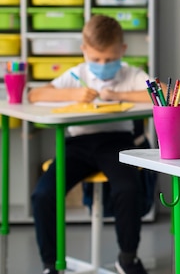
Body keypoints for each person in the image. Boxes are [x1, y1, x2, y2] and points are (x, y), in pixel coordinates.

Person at [29, 15, 152, 274]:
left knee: (128, 189)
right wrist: (72, 93)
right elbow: (35, 95)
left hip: (117, 143)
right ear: (84, 51)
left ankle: (127, 258)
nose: (102, 65)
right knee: (43, 195)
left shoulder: (131, 74)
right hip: (78, 145)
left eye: (109, 59)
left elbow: (159, 91)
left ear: (122, 51)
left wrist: (117, 95)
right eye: (96, 59)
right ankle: (51, 264)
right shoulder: (77, 74)